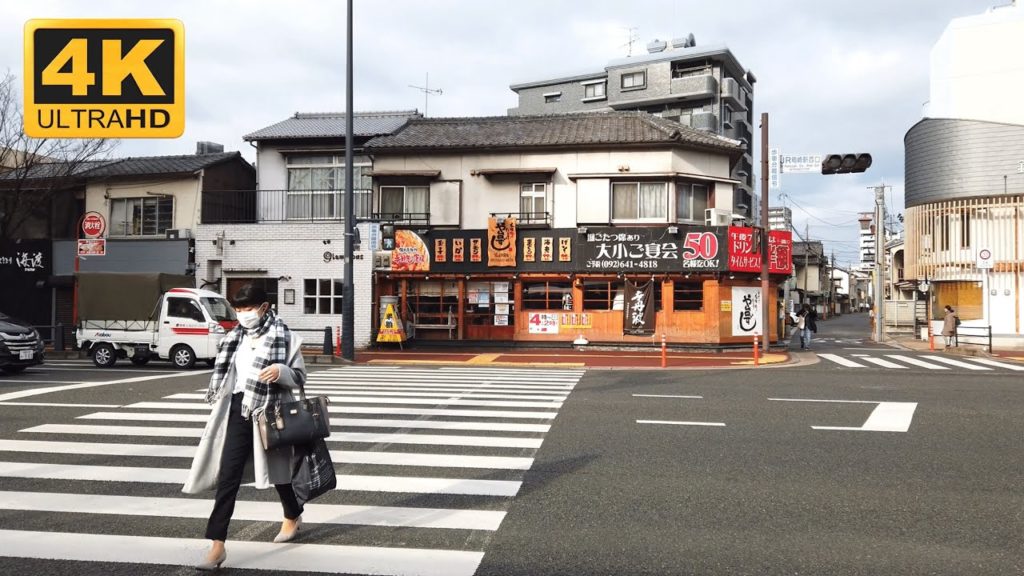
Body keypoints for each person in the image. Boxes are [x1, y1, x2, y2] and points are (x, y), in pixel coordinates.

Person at [183, 284, 306, 571]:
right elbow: (227, 375)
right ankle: (217, 545)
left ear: (264, 307)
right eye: (238, 310)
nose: (242, 315)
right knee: (229, 475)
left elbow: (300, 376)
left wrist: (281, 372)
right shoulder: (234, 338)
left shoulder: (284, 337)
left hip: (271, 410)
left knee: (279, 473)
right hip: (239, 409)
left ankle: (293, 513)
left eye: (247, 309)